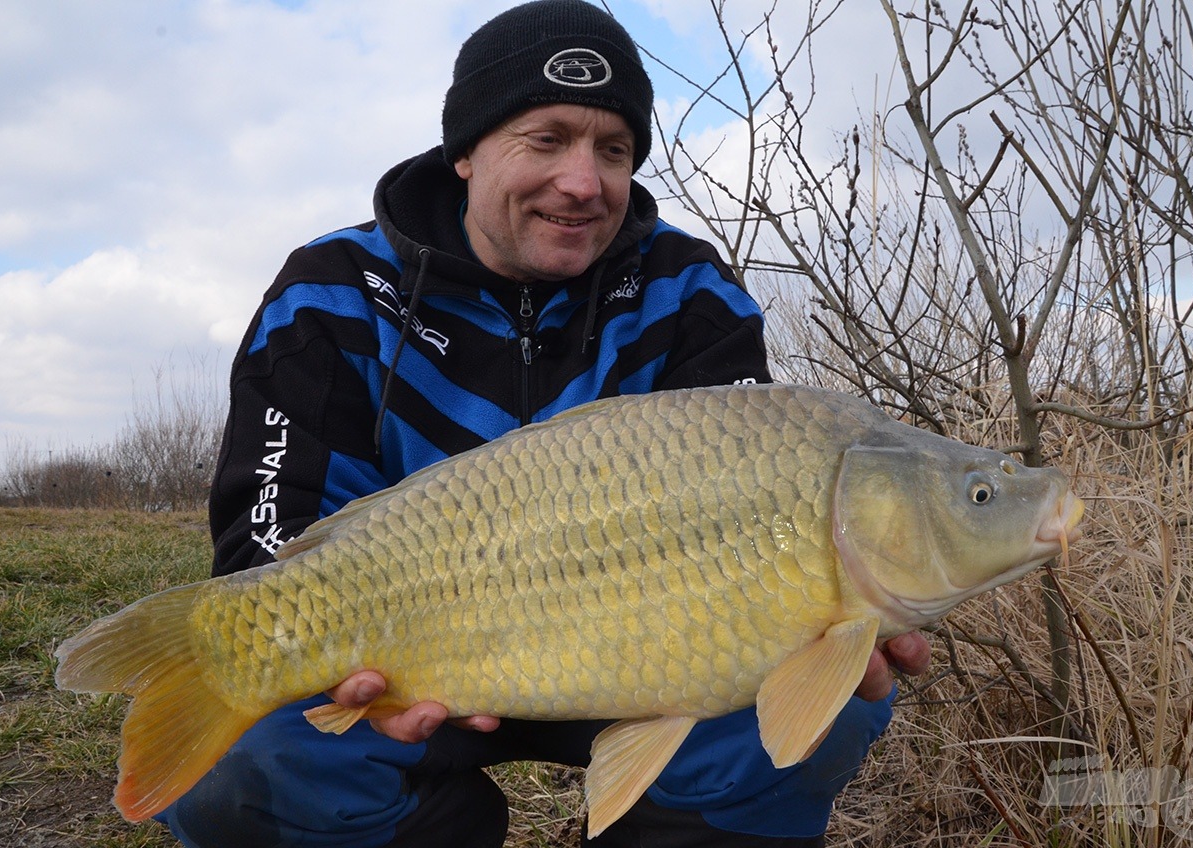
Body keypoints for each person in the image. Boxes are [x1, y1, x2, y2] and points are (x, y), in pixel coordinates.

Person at [159, 1, 929, 846]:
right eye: (546, 137)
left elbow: (752, 524)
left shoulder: (690, 293)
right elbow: (269, 542)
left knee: (817, 722)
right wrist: (349, 682)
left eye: (614, 150)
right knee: (244, 760)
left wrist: (825, 636)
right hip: (410, 656)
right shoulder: (330, 293)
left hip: (642, 658)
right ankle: (434, 828)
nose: (583, 181)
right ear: (466, 150)